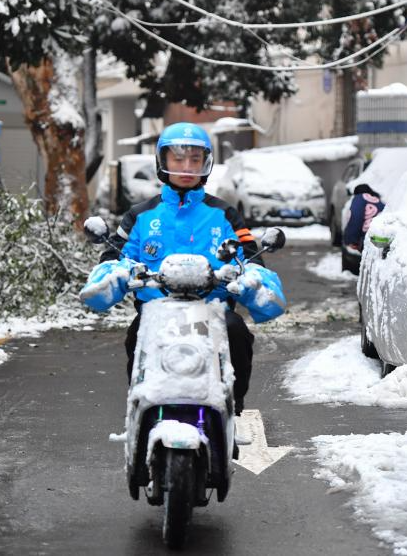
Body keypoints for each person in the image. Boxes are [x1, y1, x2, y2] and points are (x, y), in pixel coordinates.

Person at [79, 122, 285, 417]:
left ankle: (232, 407)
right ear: (162, 161)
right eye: (178, 158)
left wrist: (254, 281)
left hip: (212, 311)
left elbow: (251, 260)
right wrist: (111, 275)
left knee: (237, 331)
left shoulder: (225, 214)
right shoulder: (140, 215)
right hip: (157, 312)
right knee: (136, 335)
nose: (187, 167)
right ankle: (139, 411)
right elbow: (115, 257)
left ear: (206, 162)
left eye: (195, 159)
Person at [341, 183, 385, 274]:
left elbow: (355, 218)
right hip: (383, 237)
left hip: (369, 238)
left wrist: (352, 240)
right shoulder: (379, 201)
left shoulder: (359, 198)